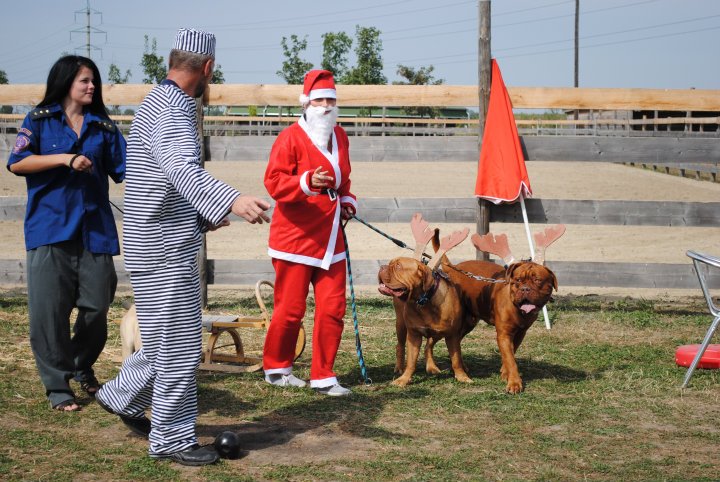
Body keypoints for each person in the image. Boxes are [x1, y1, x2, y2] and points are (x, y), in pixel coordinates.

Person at [95, 28, 270, 466]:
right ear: (208, 67)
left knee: (161, 341)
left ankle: (121, 396)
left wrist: (201, 217)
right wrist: (233, 200)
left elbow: (159, 181)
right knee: (178, 347)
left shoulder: (156, 100)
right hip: (163, 248)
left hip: (149, 239)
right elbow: (182, 170)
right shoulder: (174, 111)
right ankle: (171, 439)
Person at [6, 55, 126, 413]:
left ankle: (80, 364)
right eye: (84, 81)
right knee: (49, 314)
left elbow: (128, 170)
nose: (92, 86)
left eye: (94, 81)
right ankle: (58, 386)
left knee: (97, 307)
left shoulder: (103, 127)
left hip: (95, 231)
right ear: (65, 82)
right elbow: (17, 162)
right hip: (50, 230)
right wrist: (65, 159)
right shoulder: (40, 121)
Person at [263, 69, 358, 397]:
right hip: (295, 238)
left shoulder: (341, 136)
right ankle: (277, 367)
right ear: (306, 103)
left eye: (331, 100)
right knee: (290, 309)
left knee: (333, 308)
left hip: (331, 239)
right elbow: (274, 181)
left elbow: (344, 179)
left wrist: (347, 200)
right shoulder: (289, 137)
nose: (326, 106)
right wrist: (305, 182)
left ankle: (324, 376)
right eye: (319, 100)